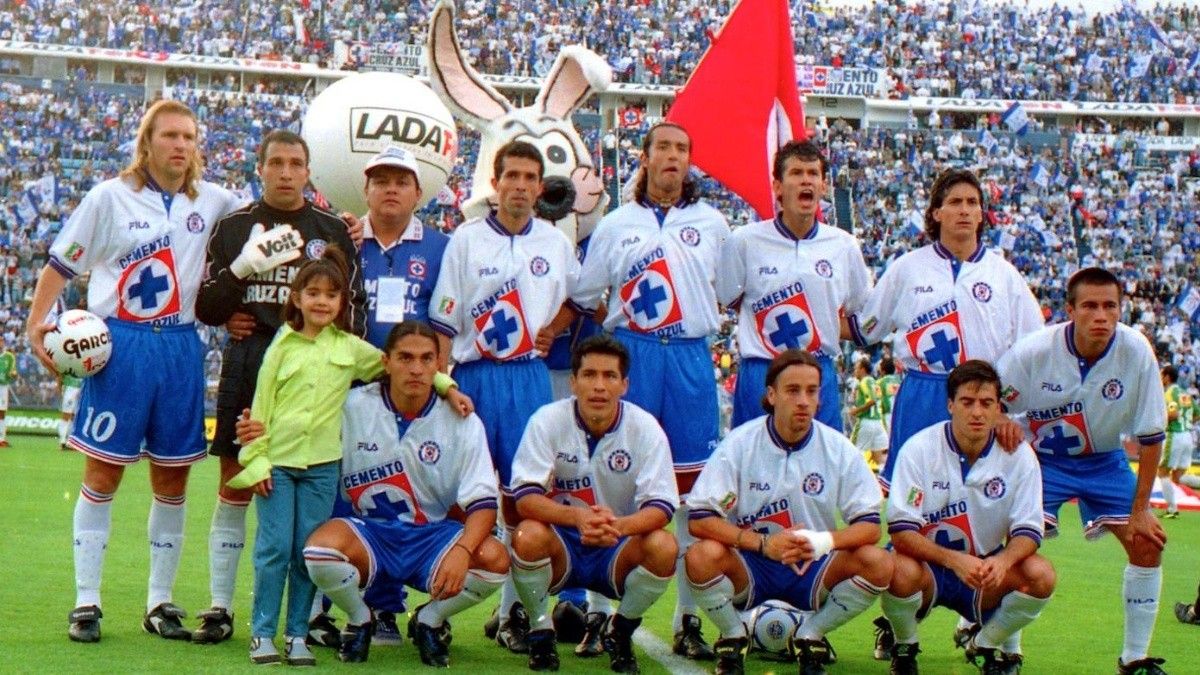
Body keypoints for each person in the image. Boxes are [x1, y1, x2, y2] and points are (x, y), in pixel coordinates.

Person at [24, 99, 244, 643]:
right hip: (119, 344)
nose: (180, 145)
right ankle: (87, 602)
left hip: (179, 347)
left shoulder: (216, 201)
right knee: (103, 474)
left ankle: (159, 602)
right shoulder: (109, 197)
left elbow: (270, 221)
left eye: (189, 137)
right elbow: (62, 263)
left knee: (172, 479)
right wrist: (36, 325)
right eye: (169, 135)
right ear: (146, 142)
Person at [546, 122, 730, 659]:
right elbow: (585, 295)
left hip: (692, 358)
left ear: (690, 161)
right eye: (664, 147)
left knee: (696, 496)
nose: (673, 157)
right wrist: (550, 333)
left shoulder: (714, 224)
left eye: (682, 148)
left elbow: (736, 292)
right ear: (645, 157)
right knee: (617, 486)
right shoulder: (616, 225)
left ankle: (689, 618)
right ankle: (602, 616)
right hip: (634, 353)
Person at [234, 321, 507, 665]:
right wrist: (257, 431)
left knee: (495, 558)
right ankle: (360, 617)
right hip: (370, 537)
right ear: (386, 362)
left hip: (431, 538)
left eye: (426, 360)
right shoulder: (350, 407)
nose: (416, 369)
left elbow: (483, 503)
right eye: (405, 358)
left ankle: (430, 620)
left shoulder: (462, 420)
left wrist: (464, 550)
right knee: (319, 550)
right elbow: (298, 424)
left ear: (440, 365)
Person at [191, 129, 365, 645]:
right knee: (235, 481)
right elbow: (209, 307)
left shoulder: (332, 228)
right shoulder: (234, 226)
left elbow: (352, 311)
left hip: (315, 375)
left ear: (309, 171)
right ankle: (221, 606)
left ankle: (309, 617)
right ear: (260, 167)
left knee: (311, 490)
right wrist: (237, 294)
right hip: (251, 360)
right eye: (277, 163)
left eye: (296, 164)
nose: (287, 173)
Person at [429, 140, 579, 653]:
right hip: (474, 377)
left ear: (541, 187)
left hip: (528, 378)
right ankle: (440, 607)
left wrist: (553, 329)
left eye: (529, 177)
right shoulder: (466, 240)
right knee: (459, 497)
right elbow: (443, 320)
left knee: (525, 500)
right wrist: (444, 383)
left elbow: (580, 300)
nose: (519, 186)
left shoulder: (556, 245)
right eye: (510, 175)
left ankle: (516, 611)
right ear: (495, 184)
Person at [996, 267, 1169, 674]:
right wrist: (1002, 417)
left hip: (1105, 459)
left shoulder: (1135, 350)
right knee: (1018, 545)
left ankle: (1134, 658)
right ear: (1069, 310)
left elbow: (1151, 436)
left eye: (1110, 306)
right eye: (1090, 306)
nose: (1101, 316)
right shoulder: (1034, 351)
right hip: (1043, 461)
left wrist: (1141, 508)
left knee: (1148, 542)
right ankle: (1006, 652)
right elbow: (993, 396)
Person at [685, 349, 891, 675]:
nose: (803, 401)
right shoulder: (740, 443)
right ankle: (733, 635)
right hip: (751, 566)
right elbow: (700, 518)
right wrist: (762, 544)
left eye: (811, 391)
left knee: (879, 562)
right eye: (793, 391)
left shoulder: (838, 448)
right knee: (700, 556)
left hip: (812, 568)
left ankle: (812, 635)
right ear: (771, 394)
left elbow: (869, 526)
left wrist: (822, 542)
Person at [226, 248, 384, 665]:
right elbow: (261, 405)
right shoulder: (282, 345)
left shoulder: (351, 348)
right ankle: (262, 633)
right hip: (277, 464)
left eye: (331, 295)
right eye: (312, 292)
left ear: (340, 303)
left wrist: (443, 383)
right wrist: (256, 460)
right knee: (274, 547)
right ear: (296, 297)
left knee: (305, 552)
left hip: (322, 467)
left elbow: (396, 368)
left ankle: (298, 633)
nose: (321, 302)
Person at [848, 168, 1042, 495]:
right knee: (912, 497)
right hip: (921, 393)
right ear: (937, 212)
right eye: (954, 202)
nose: (964, 209)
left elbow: (1032, 352)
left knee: (980, 499)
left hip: (982, 400)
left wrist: (1005, 409)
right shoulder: (906, 269)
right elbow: (864, 328)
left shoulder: (1004, 276)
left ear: (982, 213)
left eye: (972, 202)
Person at [507, 335, 679, 673]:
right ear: (573, 382)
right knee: (527, 535)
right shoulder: (547, 420)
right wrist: (578, 518)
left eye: (609, 376)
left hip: (616, 544)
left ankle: (620, 630)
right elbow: (525, 499)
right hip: (562, 544)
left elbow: (662, 507)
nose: (599, 386)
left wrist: (617, 526)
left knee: (664, 546)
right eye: (589, 375)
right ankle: (541, 631)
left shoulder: (645, 428)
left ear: (624, 384)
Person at [881, 360, 1055, 675]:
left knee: (1041, 575)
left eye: (986, 403)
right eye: (967, 402)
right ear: (950, 405)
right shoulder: (919, 449)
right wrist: (954, 561)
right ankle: (905, 645)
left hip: (983, 570)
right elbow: (901, 532)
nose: (977, 412)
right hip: (928, 568)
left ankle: (986, 644)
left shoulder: (1019, 456)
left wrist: (1001, 563)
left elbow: (1029, 530)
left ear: (998, 408)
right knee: (897, 570)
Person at [717, 139, 871, 432]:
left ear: (823, 187)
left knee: (822, 469)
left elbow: (859, 311)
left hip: (818, 371)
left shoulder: (844, 245)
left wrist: (823, 324)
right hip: (761, 372)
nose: (806, 180)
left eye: (813, 174)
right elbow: (727, 297)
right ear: (777, 186)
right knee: (753, 468)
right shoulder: (745, 241)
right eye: (797, 173)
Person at [1157, 365, 1194, 519]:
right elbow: (1196, 413)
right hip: (1187, 435)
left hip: (1174, 435)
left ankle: (1172, 509)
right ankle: (1175, 503)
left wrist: (1158, 420)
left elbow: (1173, 413)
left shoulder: (1169, 393)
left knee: (1163, 471)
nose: (1160, 377)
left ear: (1167, 377)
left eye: (1161, 374)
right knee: (1177, 476)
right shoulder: (1185, 393)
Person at [849, 359, 888, 470]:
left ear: (862, 369)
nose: (854, 371)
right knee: (878, 459)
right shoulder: (875, 382)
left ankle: (855, 482)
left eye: (856, 368)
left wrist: (856, 411)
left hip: (866, 422)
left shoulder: (864, 381)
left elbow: (872, 400)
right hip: (878, 423)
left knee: (854, 452)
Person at [58, 372, 83, 451]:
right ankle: (62, 441)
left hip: (79, 390)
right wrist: (61, 390)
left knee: (74, 417)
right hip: (70, 390)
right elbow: (60, 376)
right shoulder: (67, 366)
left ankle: (70, 442)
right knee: (66, 416)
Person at [0, 334, 15, 447]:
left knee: (2, 412)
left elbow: (13, 372)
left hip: (3, 387)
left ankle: (1, 438)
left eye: (1, 340)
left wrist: (13, 374)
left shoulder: (9, 356)